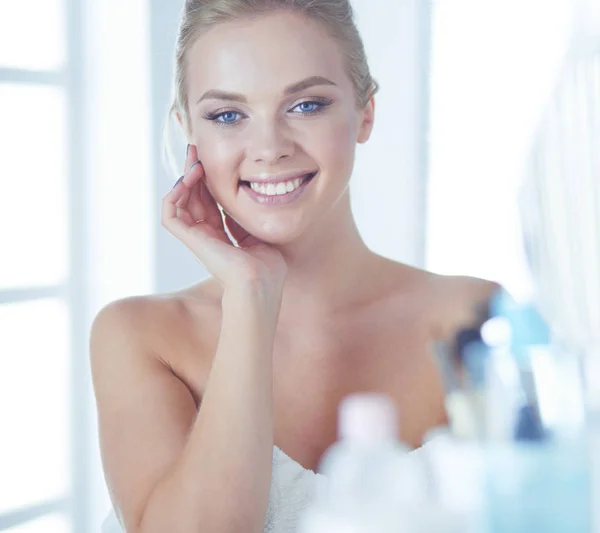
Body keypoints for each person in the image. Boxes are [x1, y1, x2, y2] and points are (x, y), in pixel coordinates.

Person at [90, 1, 499, 532]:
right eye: (228, 115)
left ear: (365, 112)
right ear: (189, 130)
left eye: (305, 105)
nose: (268, 148)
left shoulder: (474, 318)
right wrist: (249, 295)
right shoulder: (141, 337)